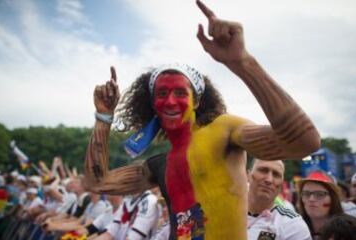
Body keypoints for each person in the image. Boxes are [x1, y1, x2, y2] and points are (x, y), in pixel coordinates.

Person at [83, 0, 320, 239]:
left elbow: (304, 143)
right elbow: (97, 183)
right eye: (162, 94)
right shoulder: (159, 164)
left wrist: (242, 62)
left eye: (180, 93)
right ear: (153, 104)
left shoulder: (224, 130)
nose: (171, 102)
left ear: (196, 101)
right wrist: (103, 116)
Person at [247, 158, 311, 240]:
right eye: (263, 170)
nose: (269, 180)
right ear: (248, 175)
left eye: (276, 175)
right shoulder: (227, 211)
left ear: (281, 185)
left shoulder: (293, 225)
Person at [297, 170, 344, 240]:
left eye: (320, 194)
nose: (311, 199)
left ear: (333, 199)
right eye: (306, 193)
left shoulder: (347, 231)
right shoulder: (293, 229)